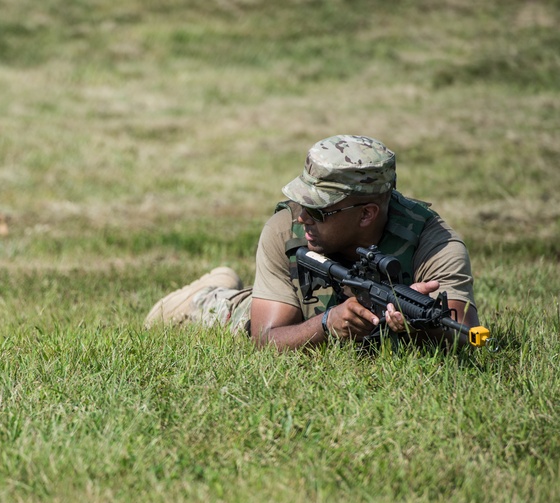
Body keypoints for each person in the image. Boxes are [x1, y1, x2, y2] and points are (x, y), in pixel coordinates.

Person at [145, 135, 481, 350]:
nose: (302, 215)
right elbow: (266, 338)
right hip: (297, 311)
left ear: (366, 214)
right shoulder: (285, 228)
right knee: (228, 315)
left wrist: (420, 327)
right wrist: (327, 324)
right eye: (301, 201)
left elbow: (463, 333)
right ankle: (207, 293)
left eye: (318, 209)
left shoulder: (435, 244)